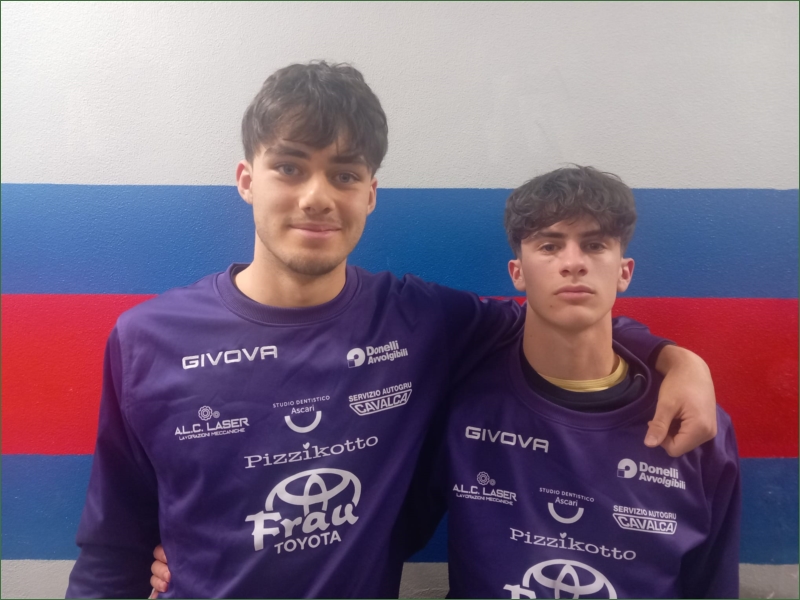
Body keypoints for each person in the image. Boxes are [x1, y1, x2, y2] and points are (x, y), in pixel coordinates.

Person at [67, 62, 717, 599]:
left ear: (370, 194)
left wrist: (675, 359)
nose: (317, 196)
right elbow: (111, 547)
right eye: (290, 167)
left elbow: (558, 314)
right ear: (246, 180)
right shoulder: (148, 339)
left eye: (344, 174)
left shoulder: (420, 320)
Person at [439, 166, 740, 598]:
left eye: (595, 245)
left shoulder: (693, 422)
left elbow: (712, 582)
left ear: (624, 272)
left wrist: (682, 361)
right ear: (517, 272)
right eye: (549, 245)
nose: (573, 263)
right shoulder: (462, 403)